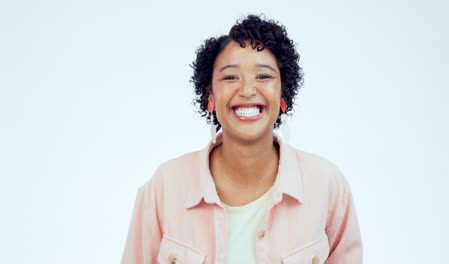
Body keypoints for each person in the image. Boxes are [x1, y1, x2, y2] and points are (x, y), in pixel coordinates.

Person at [121, 14, 363, 264]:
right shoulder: (164, 187)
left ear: (283, 94)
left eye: (263, 76)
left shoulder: (326, 185)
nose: (247, 90)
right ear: (210, 97)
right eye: (230, 77)